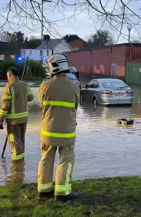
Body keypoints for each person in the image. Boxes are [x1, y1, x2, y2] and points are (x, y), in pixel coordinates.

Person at [37, 54, 80, 201]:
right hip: (67, 132)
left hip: (47, 131)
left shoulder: (44, 86)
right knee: (66, 160)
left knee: (46, 158)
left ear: (52, 68)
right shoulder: (74, 87)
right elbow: (75, 107)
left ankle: (44, 189)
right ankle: (62, 192)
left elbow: (42, 107)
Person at [0, 67, 34, 161]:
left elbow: (5, 105)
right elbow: (31, 98)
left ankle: (16, 167)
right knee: (21, 140)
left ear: (10, 75)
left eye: (7, 76)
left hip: (13, 121)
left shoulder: (8, 86)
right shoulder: (25, 84)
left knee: (14, 142)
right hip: (24, 119)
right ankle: (21, 162)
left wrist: (0, 119)